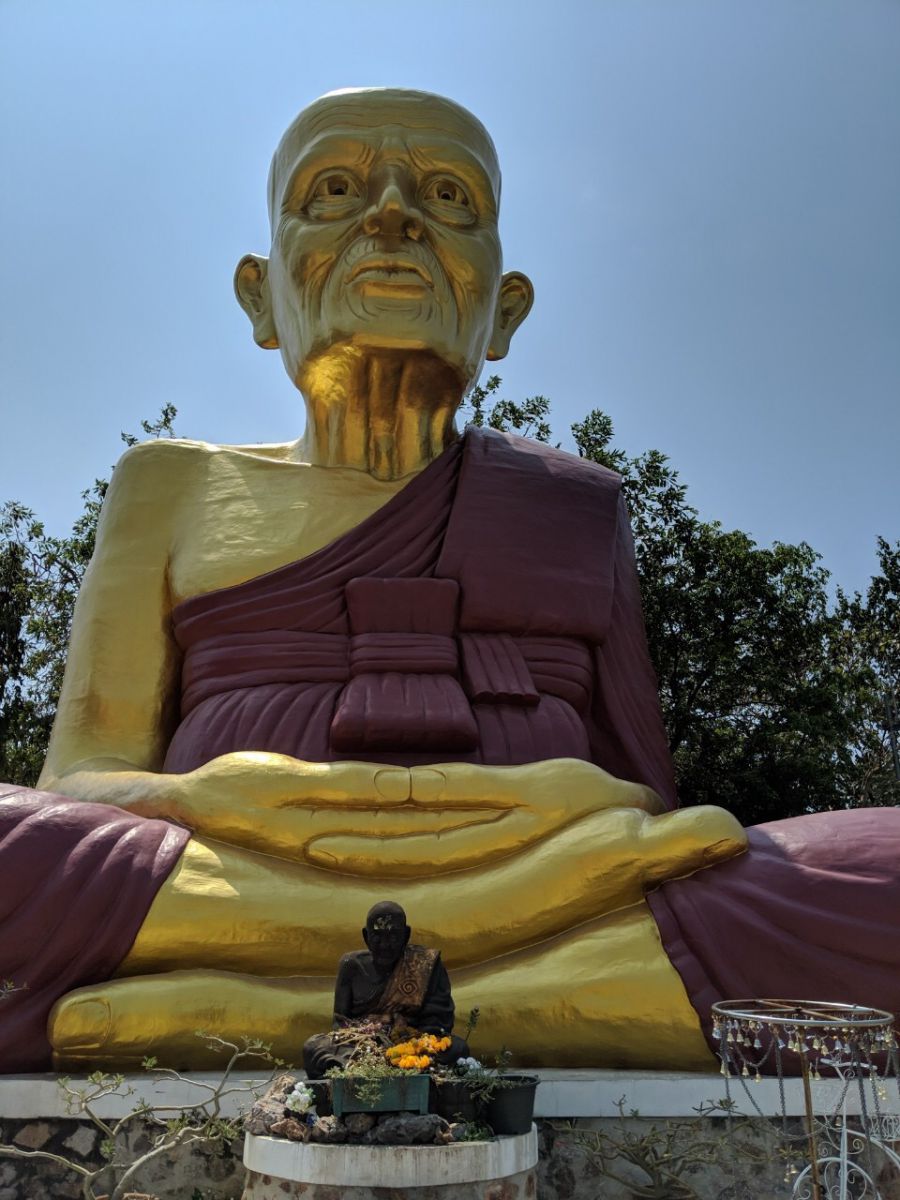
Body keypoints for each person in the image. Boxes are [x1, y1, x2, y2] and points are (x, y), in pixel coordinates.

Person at [1, 89, 897, 1075]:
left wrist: (557, 816)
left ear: (503, 308)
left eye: (448, 196)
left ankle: (236, 1012)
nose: (392, 216)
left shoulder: (574, 503)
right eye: (334, 189)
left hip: (555, 886)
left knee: (868, 870)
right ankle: (536, 1006)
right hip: (243, 873)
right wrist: (224, 802)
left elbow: (648, 809)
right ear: (259, 296)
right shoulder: (171, 484)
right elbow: (80, 781)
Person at [303, 901, 466, 1079]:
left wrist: (406, 1035)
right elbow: (339, 1023)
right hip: (362, 1046)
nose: (385, 945)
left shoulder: (424, 964)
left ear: (406, 935)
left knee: (458, 1049)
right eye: (377, 936)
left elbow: (439, 1022)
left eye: (393, 936)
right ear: (366, 936)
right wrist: (369, 1035)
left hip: (410, 1044)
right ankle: (388, 1067)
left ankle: (370, 1069)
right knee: (313, 1047)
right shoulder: (351, 965)